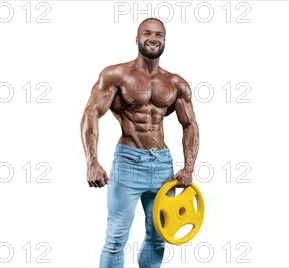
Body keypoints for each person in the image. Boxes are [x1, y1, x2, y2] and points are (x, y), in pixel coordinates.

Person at [80, 17, 200, 268]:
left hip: (162, 166)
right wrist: (92, 162)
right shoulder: (115, 74)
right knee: (115, 239)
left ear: (165, 40)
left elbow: (189, 125)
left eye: (159, 34)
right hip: (128, 162)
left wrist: (188, 168)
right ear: (137, 39)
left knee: (158, 237)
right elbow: (91, 114)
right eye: (147, 33)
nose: (153, 38)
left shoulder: (176, 83)